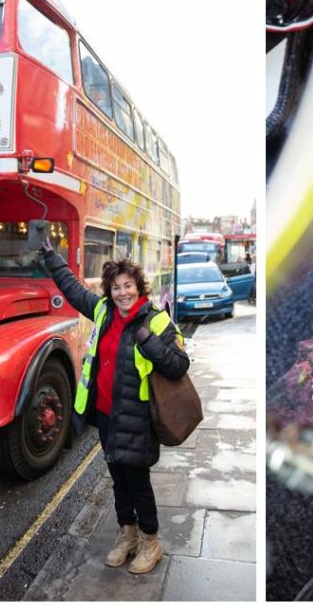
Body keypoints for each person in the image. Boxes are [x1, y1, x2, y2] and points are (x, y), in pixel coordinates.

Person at [39, 239, 189, 575]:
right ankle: (127, 535)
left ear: (139, 288)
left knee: (138, 481)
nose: (122, 293)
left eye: (128, 286)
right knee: (117, 479)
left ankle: (151, 542)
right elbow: (74, 290)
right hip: (107, 415)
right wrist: (52, 258)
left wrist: (149, 343)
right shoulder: (103, 310)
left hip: (138, 419)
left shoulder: (157, 321)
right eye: (116, 287)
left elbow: (180, 366)